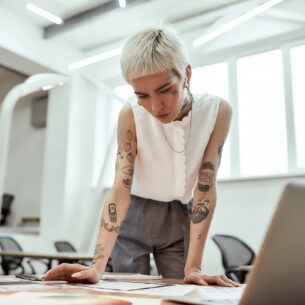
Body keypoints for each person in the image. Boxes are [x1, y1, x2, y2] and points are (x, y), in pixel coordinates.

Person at [42, 24, 238, 287]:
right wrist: (97, 266)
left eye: (165, 90)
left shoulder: (218, 111)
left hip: (181, 214)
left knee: (184, 288)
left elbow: (205, 187)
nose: (155, 107)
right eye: (142, 95)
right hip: (133, 213)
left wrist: (195, 267)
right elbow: (120, 189)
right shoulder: (131, 114)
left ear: (186, 74)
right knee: (130, 291)